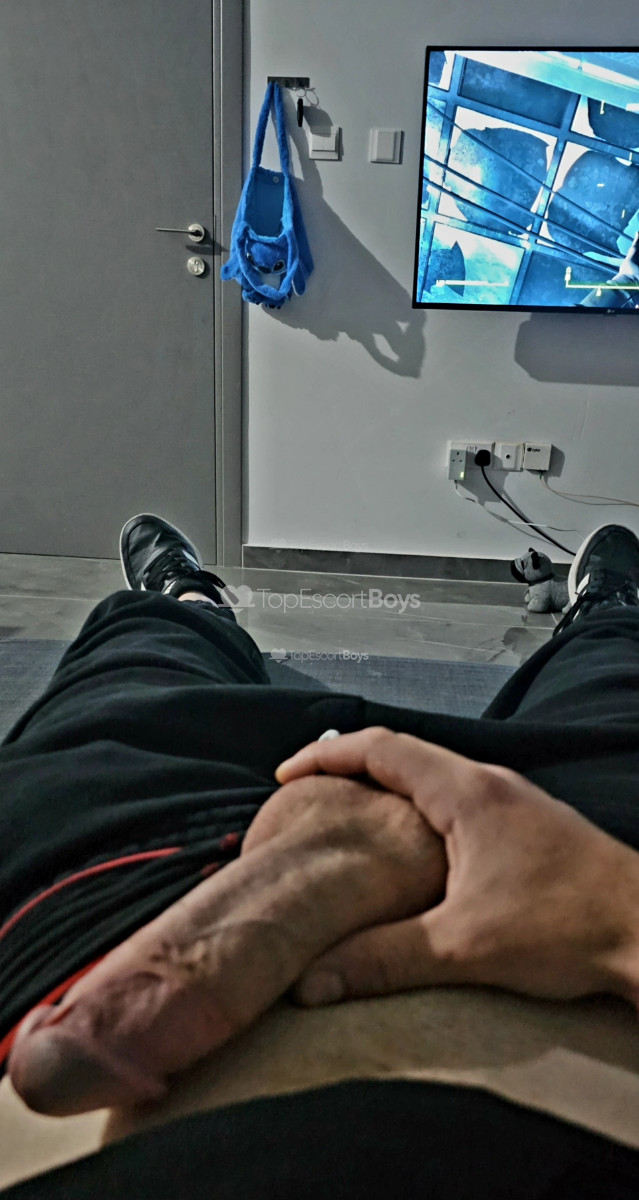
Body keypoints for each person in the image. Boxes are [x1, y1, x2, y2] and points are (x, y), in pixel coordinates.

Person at [1, 516, 639, 1198]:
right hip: (583, 885)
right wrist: (617, 907)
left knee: (134, 668)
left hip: (123, 903)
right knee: (613, 683)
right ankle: (605, 614)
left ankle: (188, 604)